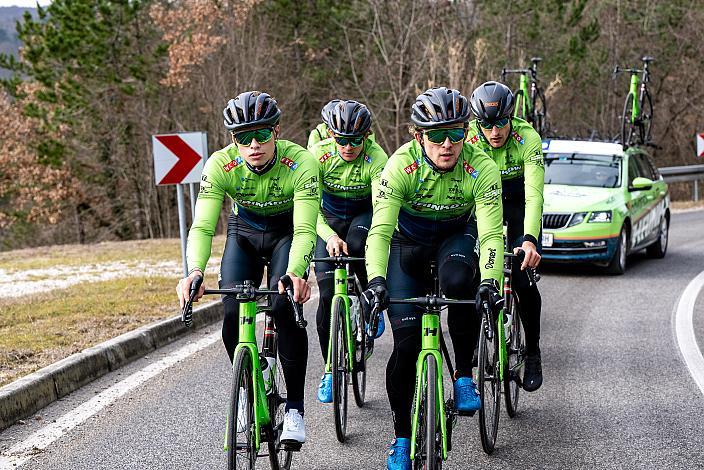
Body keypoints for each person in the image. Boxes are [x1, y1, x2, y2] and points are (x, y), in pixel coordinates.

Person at [363, 87, 504, 470]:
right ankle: (402, 436)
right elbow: (379, 232)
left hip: (455, 238)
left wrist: (490, 280)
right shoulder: (399, 166)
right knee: (406, 348)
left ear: (466, 133)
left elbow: (491, 234)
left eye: (456, 134)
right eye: (436, 136)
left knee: (461, 283)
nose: (447, 145)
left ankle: (462, 374)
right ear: (418, 136)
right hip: (405, 245)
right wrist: (376, 280)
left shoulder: (481, 167)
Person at [176, 91, 320, 445]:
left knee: (285, 309)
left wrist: (297, 272)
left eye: (262, 134)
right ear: (233, 140)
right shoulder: (220, 165)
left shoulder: (301, 162)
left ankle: (295, 410)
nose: (253, 144)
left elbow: (305, 229)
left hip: (288, 231)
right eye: (243, 137)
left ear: (277, 132)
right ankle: (246, 390)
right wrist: (194, 271)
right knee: (230, 312)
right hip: (245, 234)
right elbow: (203, 226)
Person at [309, 99, 389, 403]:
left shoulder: (376, 157)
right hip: (327, 220)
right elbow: (308, 208)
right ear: (330, 134)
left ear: (366, 137)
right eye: (341, 140)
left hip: (362, 216)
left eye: (355, 140)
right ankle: (330, 368)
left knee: (357, 245)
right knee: (327, 295)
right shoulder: (317, 156)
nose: (348, 147)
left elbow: (381, 208)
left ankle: (368, 299)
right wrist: (328, 236)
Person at [468, 80, 544, 392]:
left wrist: (529, 239)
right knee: (472, 270)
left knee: (523, 278)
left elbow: (535, 196)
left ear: (511, 118)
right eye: (487, 124)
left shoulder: (527, 137)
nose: (495, 131)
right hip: (480, 203)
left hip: (517, 205)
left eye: (501, 122)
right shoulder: (469, 139)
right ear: (477, 123)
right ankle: (473, 339)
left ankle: (533, 352)